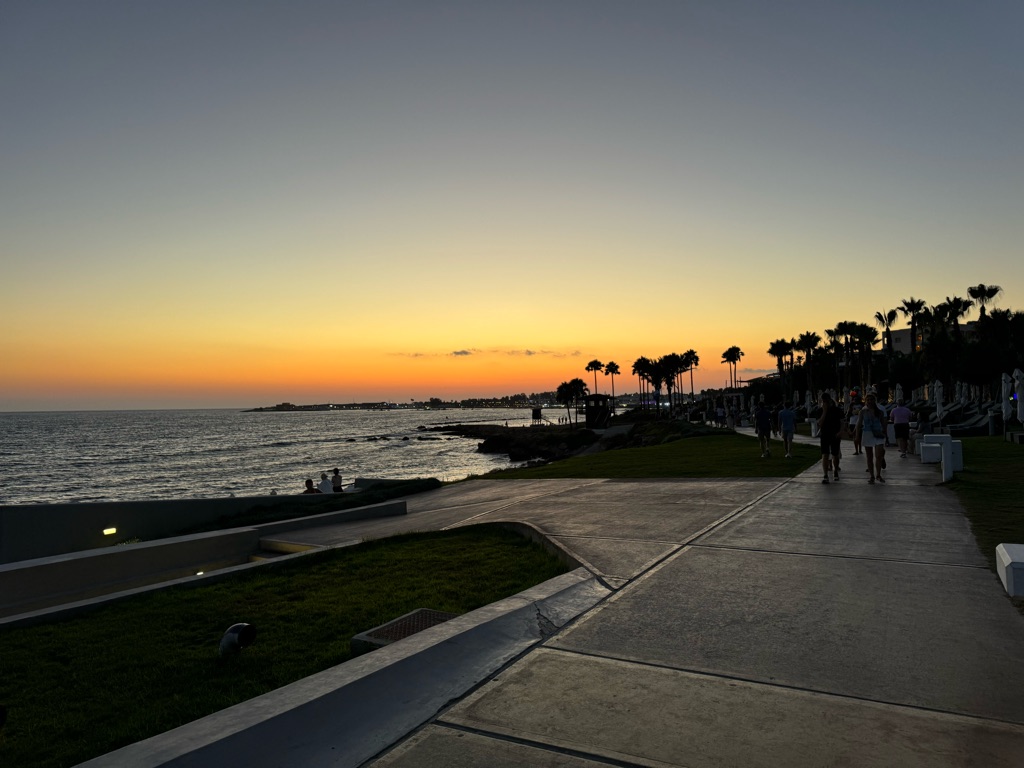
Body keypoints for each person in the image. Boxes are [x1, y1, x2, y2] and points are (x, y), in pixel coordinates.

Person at [857, 392, 888, 484]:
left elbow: (883, 424)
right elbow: (859, 424)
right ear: (866, 401)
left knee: (878, 455)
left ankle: (878, 474)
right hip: (867, 434)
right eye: (868, 400)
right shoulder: (863, 412)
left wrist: (885, 434)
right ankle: (872, 476)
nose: (870, 401)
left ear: (875, 401)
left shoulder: (880, 412)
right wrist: (857, 436)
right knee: (869, 456)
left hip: (878, 434)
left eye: (871, 399)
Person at [817, 392, 843, 483]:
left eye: (826, 401)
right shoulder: (820, 411)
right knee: (825, 454)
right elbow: (819, 424)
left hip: (835, 434)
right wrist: (824, 411)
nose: (825, 403)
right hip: (825, 434)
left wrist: (840, 431)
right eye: (823, 401)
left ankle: (836, 470)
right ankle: (825, 475)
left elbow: (842, 422)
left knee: (835, 454)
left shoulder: (837, 410)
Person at [846, 391, 864, 455]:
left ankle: (860, 449)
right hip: (852, 422)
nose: (855, 401)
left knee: (860, 437)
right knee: (854, 437)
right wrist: (851, 412)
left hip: (860, 422)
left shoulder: (862, 405)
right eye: (854, 399)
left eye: (857, 399)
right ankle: (856, 450)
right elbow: (848, 415)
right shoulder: (851, 406)